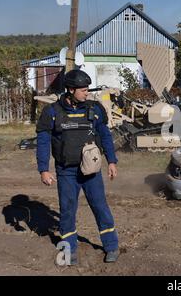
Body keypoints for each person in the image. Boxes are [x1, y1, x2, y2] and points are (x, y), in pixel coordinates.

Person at [36, 69, 119, 265]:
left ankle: (111, 246)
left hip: (91, 171)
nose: (87, 93)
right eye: (83, 89)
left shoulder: (95, 109)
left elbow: (105, 136)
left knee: (100, 207)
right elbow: (43, 141)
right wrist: (43, 169)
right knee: (67, 210)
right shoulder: (52, 112)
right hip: (66, 171)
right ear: (70, 89)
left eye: (87, 89)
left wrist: (112, 161)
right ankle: (69, 250)